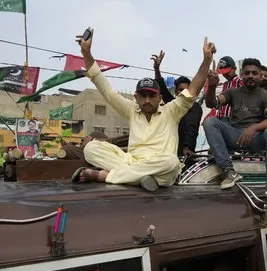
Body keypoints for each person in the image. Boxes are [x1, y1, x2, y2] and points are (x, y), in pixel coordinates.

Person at [71, 29, 213, 192]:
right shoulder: (132, 110)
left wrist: (206, 61)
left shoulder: (171, 111)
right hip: (131, 162)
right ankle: (140, 178)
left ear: (160, 98)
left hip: (159, 164)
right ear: (136, 97)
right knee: (91, 148)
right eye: (143, 96)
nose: (147, 100)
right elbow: (106, 89)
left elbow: (193, 91)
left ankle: (105, 176)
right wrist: (86, 53)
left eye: (151, 96)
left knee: (172, 163)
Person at [203, 58, 267, 200]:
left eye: (254, 73)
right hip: (235, 136)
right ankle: (229, 172)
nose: (251, 76)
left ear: (260, 75)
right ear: (242, 75)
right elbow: (212, 104)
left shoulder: (265, 96)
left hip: (256, 139)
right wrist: (211, 87)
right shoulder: (232, 92)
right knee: (210, 122)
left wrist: (253, 128)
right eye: (247, 73)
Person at [152, 50, 203, 159]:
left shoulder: (195, 107)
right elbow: (161, 86)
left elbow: (192, 127)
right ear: (176, 92)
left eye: (186, 89)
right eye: (180, 90)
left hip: (187, 153)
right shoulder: (172, 104)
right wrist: (157, 69)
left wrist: (187, 147)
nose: (183, 92)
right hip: (169, 151)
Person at [203, 56, 243, 122]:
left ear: (235, 69)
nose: (225, 74)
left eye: (227, 71)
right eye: (223, 72)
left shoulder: (240, 82)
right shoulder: (225, 84)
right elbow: (215, 104)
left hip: (233, 121)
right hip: (220, 119)